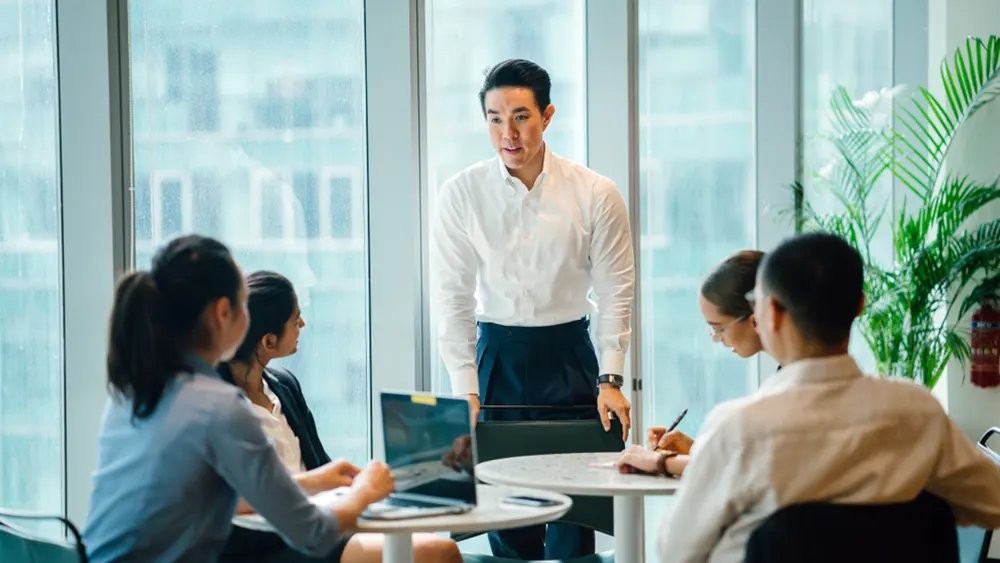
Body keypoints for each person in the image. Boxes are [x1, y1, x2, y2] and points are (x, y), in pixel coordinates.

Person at [658, 232, 1000, 563]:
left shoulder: (739, 427)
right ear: (860, 305)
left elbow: (675, 551)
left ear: (771, 313)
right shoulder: (918, 412)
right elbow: (993, 501)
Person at [430, 58, 635, 560]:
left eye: (521, 116)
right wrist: (465, 389)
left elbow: (616, 293)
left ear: (547, 115)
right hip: (496, 357)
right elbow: (452, 297)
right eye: (495, 118)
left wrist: (610, 379)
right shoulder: (461, 194)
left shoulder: (596, 193)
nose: (508, 132)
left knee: (576, 519)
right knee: (505, 518)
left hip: (570, 356)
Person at [83, 236, 394, 563]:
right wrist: (365, 493)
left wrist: (312, 482)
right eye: (244, 303)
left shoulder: (133, 394)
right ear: (222, 312)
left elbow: (201, 498)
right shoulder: (218, 407)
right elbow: (312, 533)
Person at [218, 270, 462, 562]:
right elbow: (229, 497)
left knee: (428, 543)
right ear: (268, 342)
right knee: (437, 552)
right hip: (264, 543)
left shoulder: (284, 385)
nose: (303, 324)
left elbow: (320, 466)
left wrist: (359, 485)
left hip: (315, 520)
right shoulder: (217, 405)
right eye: (296, 320)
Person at [617, 250, 765, 477]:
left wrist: (662, 462)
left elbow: (751, 472)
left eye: (719, 328)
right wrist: (696, 450)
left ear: (756, 318)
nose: (717, 338)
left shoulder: (786, 397)